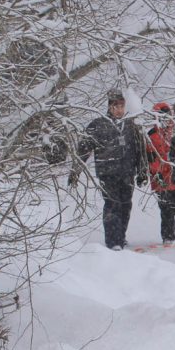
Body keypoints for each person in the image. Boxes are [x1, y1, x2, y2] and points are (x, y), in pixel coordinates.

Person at [69, 89, 146, 251]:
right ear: (110, 107)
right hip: (107, 172)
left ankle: (121, 236)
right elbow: (84, 149)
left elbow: (140, 149)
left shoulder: (131, 124)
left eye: (122, 106)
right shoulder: (98, 124)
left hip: (127, 172)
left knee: (125, 205)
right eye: (116, 106)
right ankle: (113, 241)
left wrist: (142, 171)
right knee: (112, 205)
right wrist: (75, 170)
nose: (119, 110)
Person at [144, 102, 175, 245]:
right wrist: (158, 172)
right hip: (160, 177)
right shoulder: (151, 135)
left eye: (168, 115)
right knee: (165, 207)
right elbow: (150, 158)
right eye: (162, 116)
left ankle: (168, 228)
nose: (166, 118)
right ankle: (168, 237)